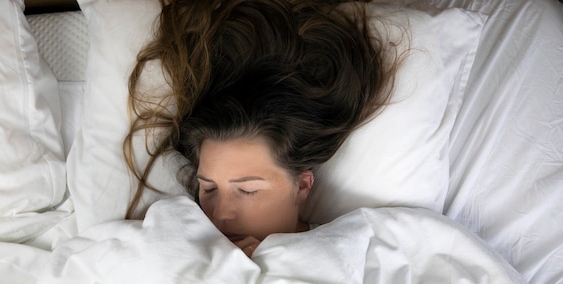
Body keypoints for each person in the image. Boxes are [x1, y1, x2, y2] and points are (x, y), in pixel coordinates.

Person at [124, 0, 402, 256]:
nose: (220, 215)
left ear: (302, 186)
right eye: (208, 189)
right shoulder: (164, 245)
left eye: (247, 191)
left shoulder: (362, 250)